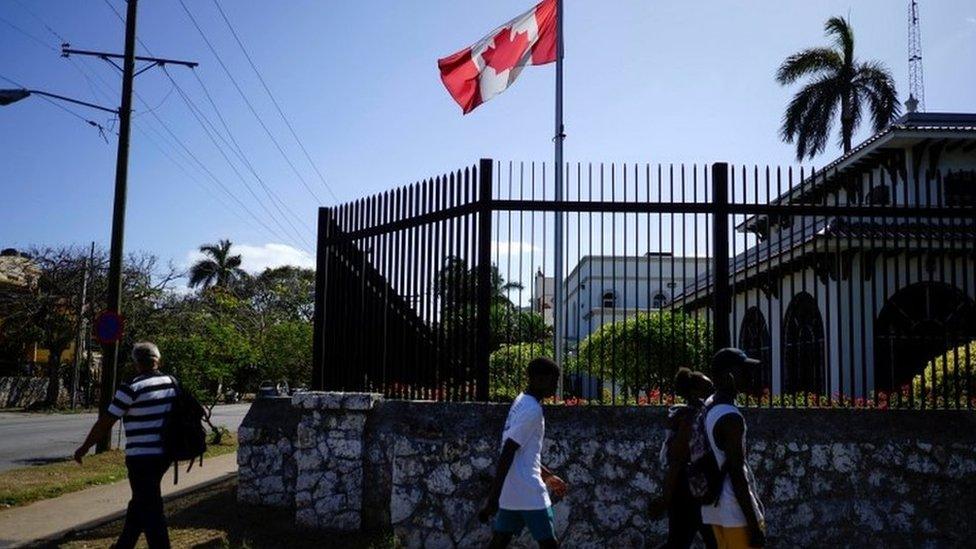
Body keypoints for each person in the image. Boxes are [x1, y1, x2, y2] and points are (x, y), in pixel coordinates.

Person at [74, 342, 177, 549]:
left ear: (136, 363)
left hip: (141, 458)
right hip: (164, 455)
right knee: (141, 501)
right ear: (158, 360)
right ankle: (123, 545)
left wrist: (84, 447)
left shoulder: (131, 387)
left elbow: (106, 422)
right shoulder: (172, 383)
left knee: (151, 508)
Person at [478, 357, 567, 548]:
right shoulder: (532, 410)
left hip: (512, 491)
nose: (556, 385)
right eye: (554, 380)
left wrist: (549, 477)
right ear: (539, 379)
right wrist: (493, 498)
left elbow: (521, 452)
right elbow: (508, 450)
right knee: (549, 543)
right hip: (529, 491)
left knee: (500, 541)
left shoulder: (520, 401)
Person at [701, 348, 766, 549]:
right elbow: (737, 473)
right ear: (730, 376)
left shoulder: (710, 404)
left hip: (715, 508)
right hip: (734, 511)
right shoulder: (731, 418)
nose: (750, 377)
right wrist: (754, 525)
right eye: (744, 371)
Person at [650, 368, 718, 549]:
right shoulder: (689, 419)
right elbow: (677, 459)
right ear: (695, 393)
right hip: (688, 492)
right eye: (709, 388)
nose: (713, 391)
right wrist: (665, 497)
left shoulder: (700, 417)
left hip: (695, 490)